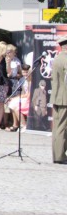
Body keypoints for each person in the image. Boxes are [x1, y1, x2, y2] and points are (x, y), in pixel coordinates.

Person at [49, 34, 67, 164]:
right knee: (62, 127)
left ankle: (57, 155)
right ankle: (60, 156)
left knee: (57, 127)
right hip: (64, 98)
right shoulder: (65, 59)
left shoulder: (57, 58)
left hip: (56, 97)